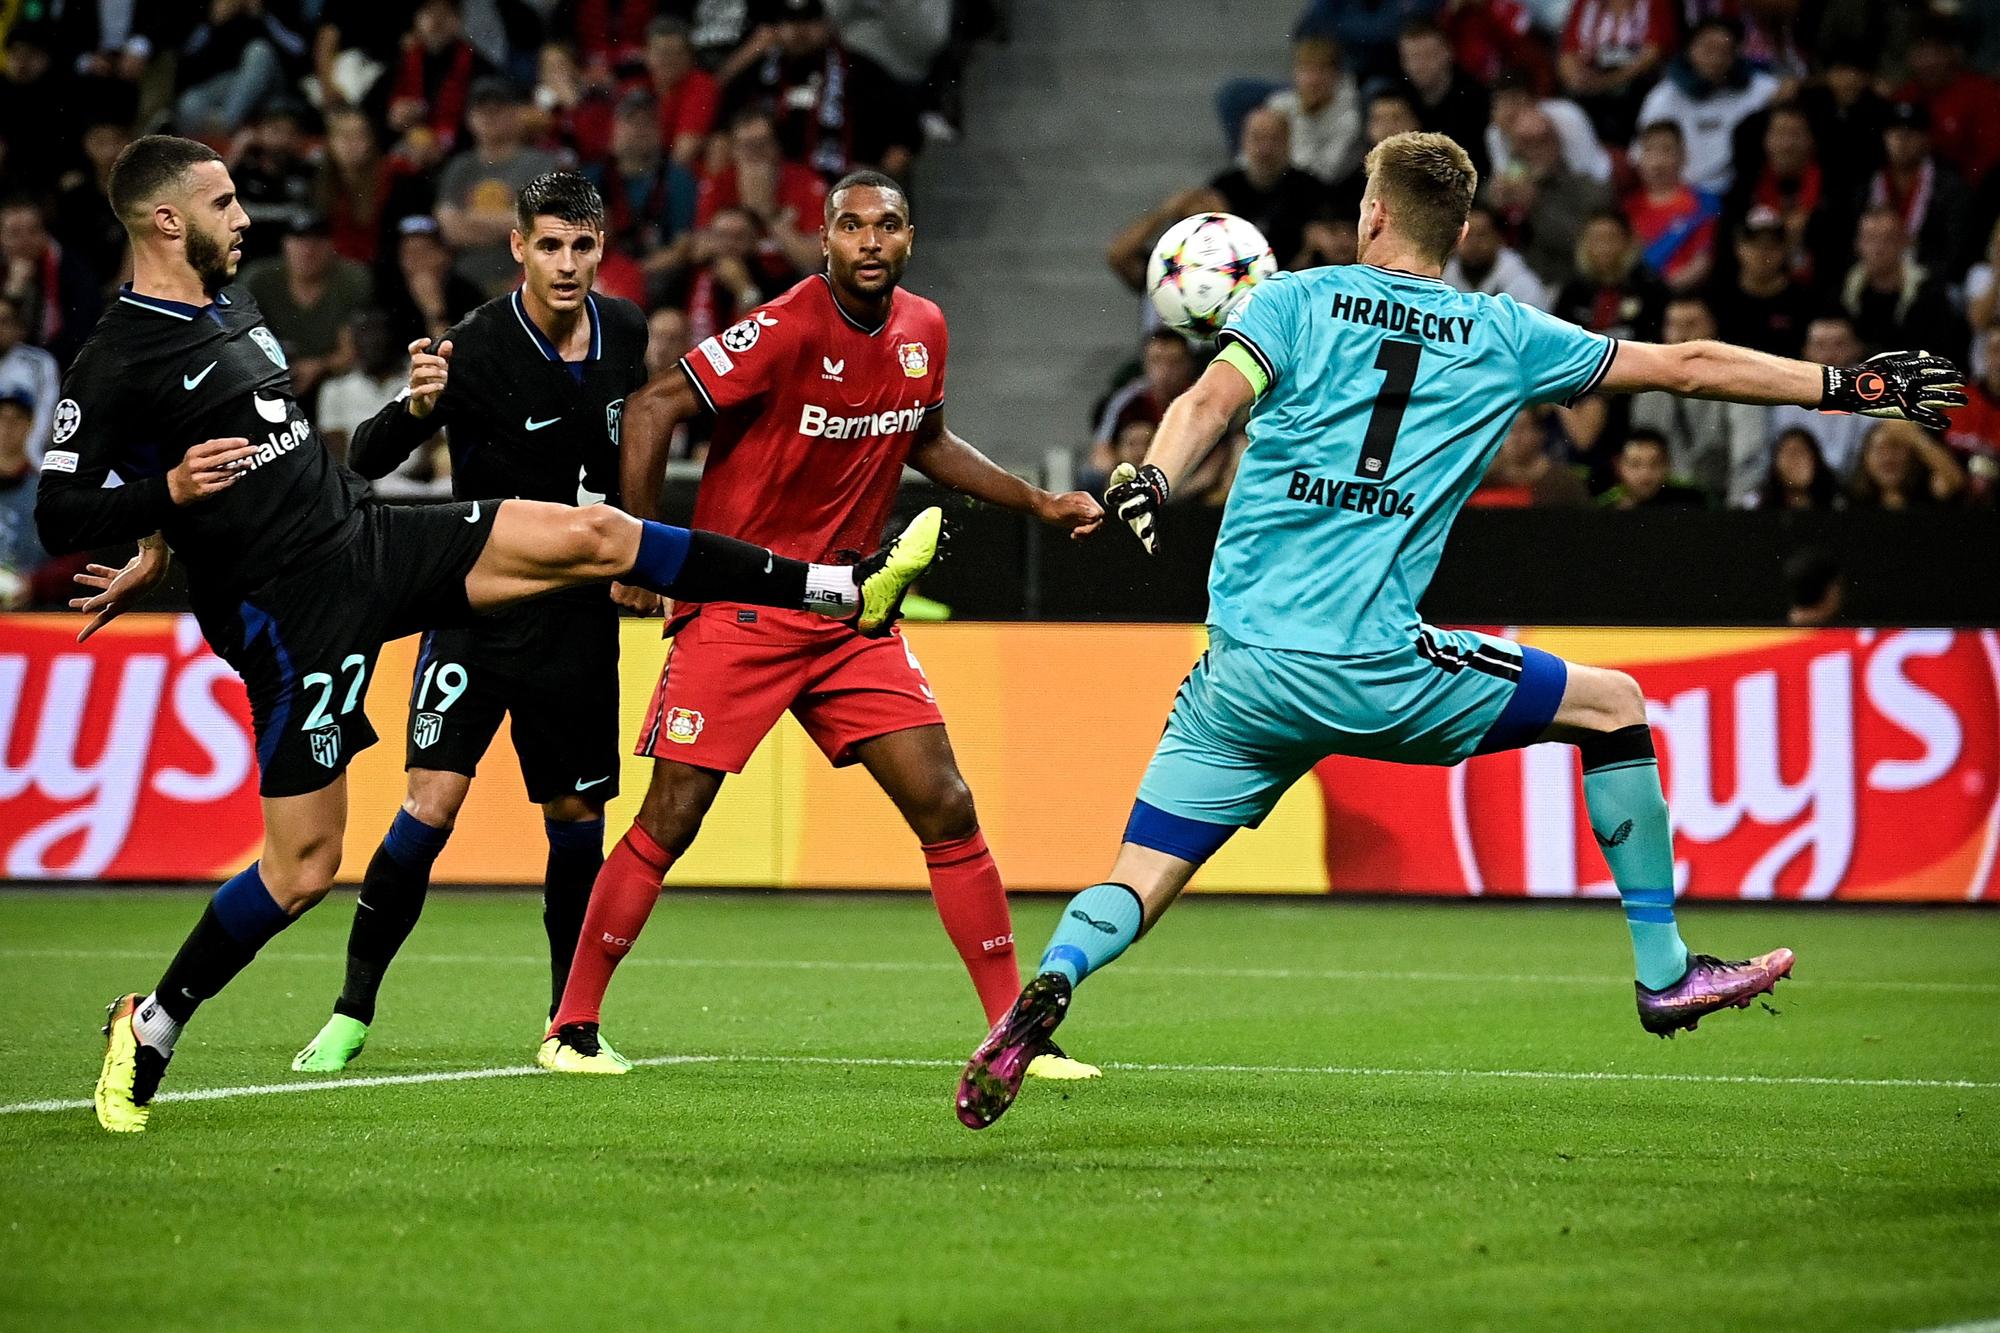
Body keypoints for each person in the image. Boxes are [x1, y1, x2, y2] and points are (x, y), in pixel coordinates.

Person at [954, 129, 1965, 1130]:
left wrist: (1149, 478)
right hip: (1371, 666)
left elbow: (1207, 397)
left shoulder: (1291, 301)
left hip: (1241, 675)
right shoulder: (1504, 334)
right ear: (1463, 229)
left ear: (1373, 213)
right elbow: (1688, 365)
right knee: (1612, 705)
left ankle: (1047, 986)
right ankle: (1662, 971)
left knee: (1140, 872)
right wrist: (1849, 386)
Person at [40, 136, 945, 1133]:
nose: (243, 218)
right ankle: (157, 1018)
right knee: (302, 867)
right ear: (166, 221)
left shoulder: (232, 304)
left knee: (596, 534)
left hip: (364, 541)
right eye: (223, 203)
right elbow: (57, 509)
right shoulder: (117, 353)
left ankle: (837, 588)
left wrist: (163, 539)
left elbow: (244, 456)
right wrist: (158, 501)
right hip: (291, 618)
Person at [540, 170, 1108, 1079]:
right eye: (851, 226)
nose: (870, 242)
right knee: (674, 815)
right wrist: (642, 557)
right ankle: (572, 1024)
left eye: (886, 227)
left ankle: (1015, 1033)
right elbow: (652, 409)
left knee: (947, 803)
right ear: (825, 239)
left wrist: (1038, 502)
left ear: (910, 240)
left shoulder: (925, 329)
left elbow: (925, 440)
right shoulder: (787, 325)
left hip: (850, 612)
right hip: (742, 605)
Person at [291, 173, 656, 1073]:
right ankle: (350, 1012)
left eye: (583, 244)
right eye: (551, 245)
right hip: (471, 609)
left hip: (575, 619)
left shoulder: (630, 333)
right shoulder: (477, 345)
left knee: (575, 819)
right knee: (430, 803)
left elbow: (638, 443)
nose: (568, 263)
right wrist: (416, 407)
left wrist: (644, 562)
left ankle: (569, 1023)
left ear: (601, 247)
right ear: (519, 249)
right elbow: (368, 457)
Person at [1628, 295, 1768, 505]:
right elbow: (1640, 456)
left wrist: (1735, 512)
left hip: (1723, 503)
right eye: (1673, 325)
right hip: (1665, 507)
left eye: (1692, 324)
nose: (1682, 334)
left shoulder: (1739, 380)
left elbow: (1749, 459)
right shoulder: (1648, 386)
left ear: (1713, 328)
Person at [436, 78, 564, 296]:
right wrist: (510, 226)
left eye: (497, 110)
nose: (489, 117)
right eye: (482, 111)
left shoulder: (541, 164)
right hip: (464, 283)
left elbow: (539, 224)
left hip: (524, 280)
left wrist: (470, 218)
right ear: (469, 119)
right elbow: (451, 231)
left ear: (516, 114)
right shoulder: (459, 166)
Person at [1631, 17, 1777, 194]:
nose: (1716, 58)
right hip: (1681, 192)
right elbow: (1640, 153)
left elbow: (1786, 89)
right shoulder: (1663, 97)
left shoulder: (1761, 89)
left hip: (1738, 188)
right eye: (1708, 50)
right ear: (1689, 49)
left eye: (1724, 50)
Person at [239, 212, 374, 400]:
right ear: (285, 244)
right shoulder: (259, 279)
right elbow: (240, 340)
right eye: (299, 241)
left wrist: (317, 367)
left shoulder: (352, 279)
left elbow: (351, 353)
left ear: (332, 246)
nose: (308, 251)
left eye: (317, 242)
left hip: (336, 381)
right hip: (267, 375)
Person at [1622, 120, 1717, 291]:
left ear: (1683, 156)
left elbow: (1703, 261)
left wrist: (1663, 291)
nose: (1657, 162)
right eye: (1649, 150)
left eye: (1666, 150)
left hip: (1685, 296)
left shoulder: (1704, 203)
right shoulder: (1628, 207)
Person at [1442, 202, 1548, 308]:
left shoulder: (1522, 284)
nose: (1473, 243)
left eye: (1481, 235)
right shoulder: (1442, 276)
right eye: (1468, 235)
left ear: (1499, 238)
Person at [1848, 419, 1966, 511]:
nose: (1888, 458)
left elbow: (1954, 480)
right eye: (1880, 449)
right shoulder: (1853, 505)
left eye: (1896, 447)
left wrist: (1914, 436)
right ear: (1865, 459)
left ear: (1913, 456)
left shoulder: (1927, 496)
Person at [0, 292, 61, 466]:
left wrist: (29, 457)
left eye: (4, 322)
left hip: (28, 463)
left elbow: (46, 415)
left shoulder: (39, 363)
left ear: (19, 328)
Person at [1596, 428, 1709, 508]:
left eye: (1655, 464)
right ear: (1618, 466)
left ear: (1668, 464)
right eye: (1635, 464)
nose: (1645, 473)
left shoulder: (1692, 501)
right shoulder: (1604, 508)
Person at [1752, 427, 1842, 511]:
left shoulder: (1841, 505)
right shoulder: (1757, 509)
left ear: (1815, 460)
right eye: (1789, 453)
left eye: (1801, 452)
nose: (1796, 461)